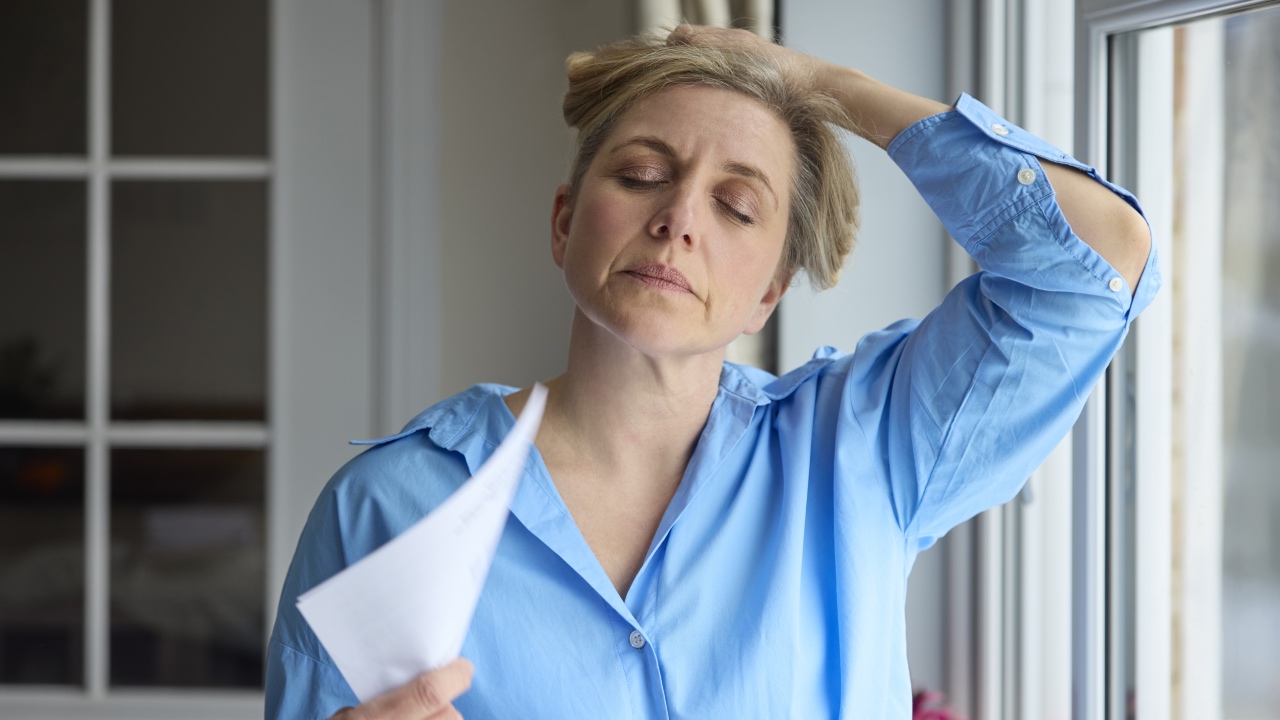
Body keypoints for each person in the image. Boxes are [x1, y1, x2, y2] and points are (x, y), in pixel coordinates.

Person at [266, 25, 1158, 719]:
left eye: (736, 205)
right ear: (565, 224)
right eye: (642, 174)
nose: (679, 219)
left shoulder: (864, 451)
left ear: (771, 291)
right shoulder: (386, 509)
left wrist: (825, 85)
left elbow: (1098, 266)